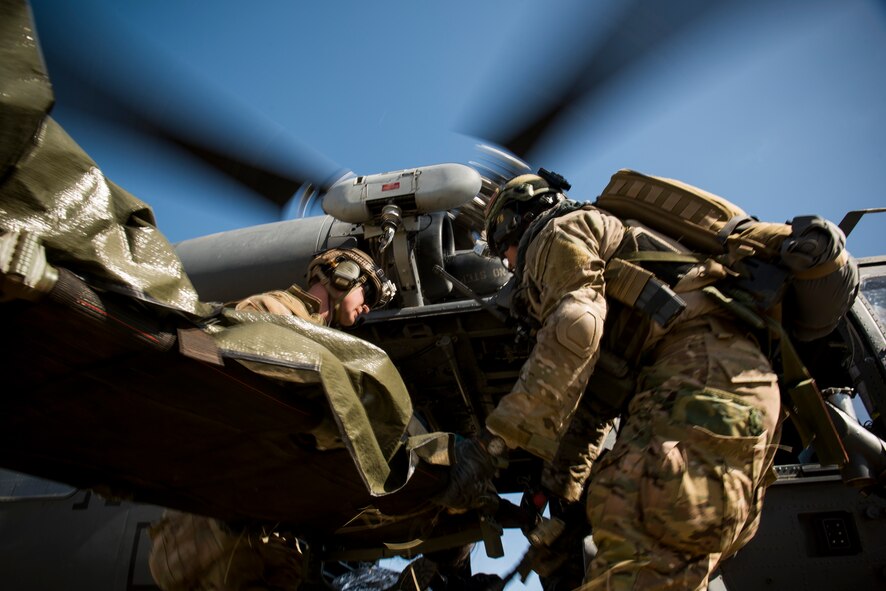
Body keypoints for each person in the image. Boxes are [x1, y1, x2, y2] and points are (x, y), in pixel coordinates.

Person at [436, 171, 858, 590]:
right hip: (724, 395)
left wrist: (490, 448)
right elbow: (596, 405)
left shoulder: (557, 231)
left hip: (697, 384)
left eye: (503, 253)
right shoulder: (612, 270)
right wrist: (561, 499)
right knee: (656, 570)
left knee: (638, 555)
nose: (509, 266)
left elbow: (575, 329)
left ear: (515, 224)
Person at [149, 247, 396, 591]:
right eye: (366, 292)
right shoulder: (270, 311)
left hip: (260, 537)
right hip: (212, 533)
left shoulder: (323, 342)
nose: (367, 307)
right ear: (343, 276)